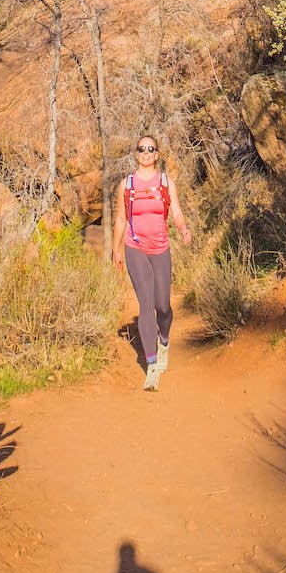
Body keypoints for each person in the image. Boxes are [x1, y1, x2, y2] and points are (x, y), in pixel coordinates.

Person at [112, 132, 191, 391]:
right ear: (136, 154)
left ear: (157, 155)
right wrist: (116, 250)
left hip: (161, 249)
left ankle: (164, 340)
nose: (146, 153)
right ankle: (152, 366)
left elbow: (176, 210)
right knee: (146, 305)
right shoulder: (127, 185)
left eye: (150, 149)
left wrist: (183, 229)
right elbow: (121, 219)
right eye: (141, 149)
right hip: (135, 248)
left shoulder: (166, 183)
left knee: (163, 306)